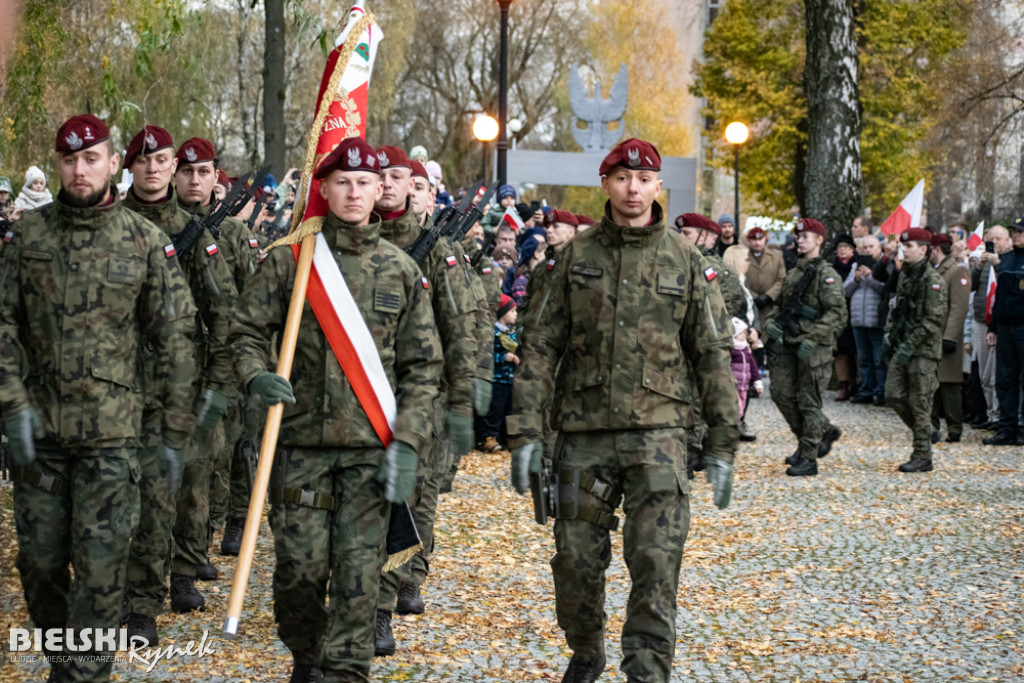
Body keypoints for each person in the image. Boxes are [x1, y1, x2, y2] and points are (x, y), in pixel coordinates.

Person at [507, 138, 738, 683]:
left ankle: (647, 672)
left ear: (658, 187)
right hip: (583, 435)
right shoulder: (575, 257)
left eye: (644, 180)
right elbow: (540, 346)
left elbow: (711, 354)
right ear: (605, 183)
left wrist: (723, 441)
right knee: (575, 564)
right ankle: (586, 648)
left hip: (659, 435)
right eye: (621, 179)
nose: (633, 189)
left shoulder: (686, 261)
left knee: (657, 564)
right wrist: (524, 433)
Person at [228, 136, 441, 683]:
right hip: (299, 448)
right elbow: (246, 331)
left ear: (381, 192)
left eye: (364, 183)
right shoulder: (293, 262)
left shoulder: (400, 271)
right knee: (298, 573)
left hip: (371, 452)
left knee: (358, 577)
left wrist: (411, 442)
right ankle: (306, 654)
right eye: (342, 182)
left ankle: (348, 672)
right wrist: (257, 375)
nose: (353, 192)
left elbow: (422, 367)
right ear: (323, 189)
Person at [0, 113, 197, 682]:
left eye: (91, 159)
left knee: (101, 569)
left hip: (112, 444)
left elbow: (178, 337)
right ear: (59, 165)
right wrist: (13, 404)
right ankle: (68, 660)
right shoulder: (29, 235)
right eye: (69, 159)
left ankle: (83, 673)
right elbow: (4, 323)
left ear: (115, 164)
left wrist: (170, 427)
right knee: (37, 566)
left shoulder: (143, 241)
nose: (79, 169)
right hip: (40, 437)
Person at [120, 125, 238, 645]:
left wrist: (213, 384)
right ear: (130, 167)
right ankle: (117, 594)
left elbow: (226, 317)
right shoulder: (108, 227)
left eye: (161, 160)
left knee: (172, 491)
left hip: (175, 387)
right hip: (112, 386)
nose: (153, 168)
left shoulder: (197, 235)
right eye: (143, 160)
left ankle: (165, 585)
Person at [371, 145, 477, 655]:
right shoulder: (353, 240)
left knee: (411, 500)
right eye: (382, 177)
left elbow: (461, 327)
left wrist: (460, 400)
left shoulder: (435, 248)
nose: (390, 186)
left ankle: (387, 600)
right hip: (360, 392)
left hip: (420, 397)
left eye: (399, 178)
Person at [171, 136, 262, 608]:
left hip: (211, 369)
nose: (194, 179)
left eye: (203, 171)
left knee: (204, 469)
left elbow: (245, 302)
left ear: (214, 178)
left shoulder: (231, 235)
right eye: (186, 170)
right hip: (154, 371)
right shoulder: (153, 225)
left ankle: (187, 563)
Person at [766, 218, 847, 477]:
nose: (798, 241)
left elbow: (837, 313)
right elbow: (779, 305)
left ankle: (809, 457)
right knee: (780, 392)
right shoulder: (794, 273)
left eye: (805, 237)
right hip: (790, 343)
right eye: (797, 237)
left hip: (815, 348)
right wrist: (771, 324)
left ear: (819, 241)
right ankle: (817, 434)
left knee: (808, 401)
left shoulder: (826, 275)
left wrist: (812, 335)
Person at [883, 228, 948, 471]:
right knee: (893, 395)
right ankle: (928, 432)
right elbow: (898, 311)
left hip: (923, 351)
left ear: (923, 249)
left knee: (920, 403)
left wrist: (908, 347)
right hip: (903, 347)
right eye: (903, 246)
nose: (904, 250)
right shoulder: (906, 277)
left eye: (909, 246)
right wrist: (890, 335)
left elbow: (932, 322)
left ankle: (923, 456)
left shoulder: (933, 280)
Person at [983, 219, 1024, 446]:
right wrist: (992, 327)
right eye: (1015, 231)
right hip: (1006, 328)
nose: (1016, 235)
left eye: (1020, 232)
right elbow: (1000, 298)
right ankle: (1006, 428)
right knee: (1005, 379)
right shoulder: (1006, 260)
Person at [929, 233, 971, 443]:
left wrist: (951, 336)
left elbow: (959, 306)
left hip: (946, 333)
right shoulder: (935, 271)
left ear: (937, 249)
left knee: (949, 383)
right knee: (931, 381)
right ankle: (932, 425)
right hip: (932, 333)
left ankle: (955, 427)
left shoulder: (957, 271)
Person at [970, 224, 1010, 430]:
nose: (994, 242)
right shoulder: (983, 261)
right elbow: (970, 285)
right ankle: (990, 414)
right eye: (990, 238)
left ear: (1008, 241)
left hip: (1002, 324)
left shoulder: (1010, 260)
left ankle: (1000, 416)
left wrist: (999, 264)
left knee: (998, 376)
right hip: (980, 322)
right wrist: (978, 267)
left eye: (999, 238)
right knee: (984, 374)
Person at [845, 235, 889, 406]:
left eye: (872, 246)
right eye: (864, 247)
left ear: (880, 249)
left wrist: (870, 277)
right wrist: (856, 279)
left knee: (879, 359)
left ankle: (881, 391)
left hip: (876, 320)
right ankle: (866, 390)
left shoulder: (883, 266)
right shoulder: (855, 266)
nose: (868, 250)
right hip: (858, 320)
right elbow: (846, 291)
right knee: (863, 360)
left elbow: (885, 290)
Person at [676, 213, 745, 318]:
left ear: (702, 235)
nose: (680, 237)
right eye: (680, 232)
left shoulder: (708, 266)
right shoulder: (683, 259)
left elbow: (725, 307)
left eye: (686, 233)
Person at [481, 294, 519, 453]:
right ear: (503, 313)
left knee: (510, 410)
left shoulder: (513, 332)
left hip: (511, 380)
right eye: (512, 310)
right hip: (497, 379)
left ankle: (510, 438)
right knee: (495, 410)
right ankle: (490, 437)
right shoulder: (493, 333)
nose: (516, 314)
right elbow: (487, 354)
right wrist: (503, 357)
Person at [730, 318, 763, 423]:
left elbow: (753, 367)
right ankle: (734, 425)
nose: (743, 336)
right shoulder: (731, 350)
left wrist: (757, 382)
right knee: (736, 407)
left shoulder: (745, 350)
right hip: (734, 384)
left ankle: (738, 423)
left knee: (742, 406)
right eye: (740, 334)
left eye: (744, 334)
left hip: (744, 385)